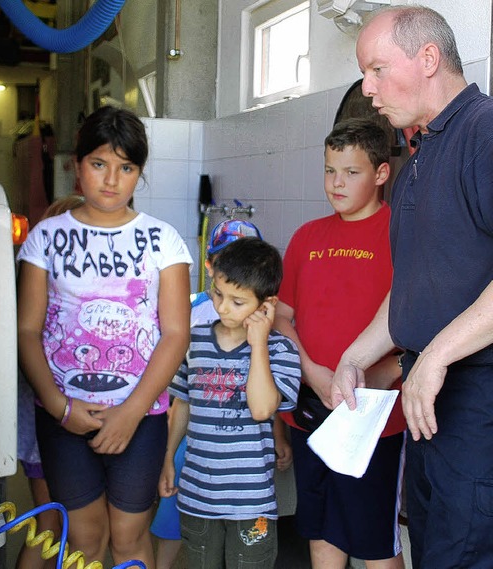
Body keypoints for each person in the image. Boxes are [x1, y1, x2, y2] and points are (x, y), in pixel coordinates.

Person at [330, 6, 493, 569]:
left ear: (428, 58)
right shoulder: (419, 157)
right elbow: (414, 285)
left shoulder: (484, 131)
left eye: (376, 70)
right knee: (428, 551)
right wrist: (360, 352)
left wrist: (438, 355)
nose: (367, 90)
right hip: (428, 398)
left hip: (477, 401)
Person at [16, 105, 193, 568]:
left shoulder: (164, 241)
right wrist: (62, 409)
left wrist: (132, 414)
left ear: (139, 173)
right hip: (64, 418)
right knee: (84, 540)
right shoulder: (46, 237)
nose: (111, 180)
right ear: (77, 167)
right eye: (99, 164)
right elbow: (27, 330)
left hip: (141, 416)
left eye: (126, 167)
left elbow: (176, 334)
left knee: (130, 538)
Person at [274, 117, 406, 569]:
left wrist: (373, 377)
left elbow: (420, 330)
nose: (336, 183)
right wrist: (313, 371)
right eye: (330, 170)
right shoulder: (306, 237)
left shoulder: (402, 235)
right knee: (320, 529)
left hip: (372, 421)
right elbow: (282, 318)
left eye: (351, 172)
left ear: (381, 174)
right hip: (310, 408)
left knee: (375, 543)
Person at [149, 219, 293, 569]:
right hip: (199, 494)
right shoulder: (193, 340)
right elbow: (183, 402)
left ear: (266, 303)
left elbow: (262, 409)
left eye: (238, 301)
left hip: (251, 502)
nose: (223, 308)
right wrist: (168, 457)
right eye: (218, 294)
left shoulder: (280, 351)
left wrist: (258, 343)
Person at [16, 194, 84, 569]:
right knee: (56, 527)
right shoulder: (54, 301)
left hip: (36, 435)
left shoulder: (32, 284)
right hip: (48, 434)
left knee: (50, 525)